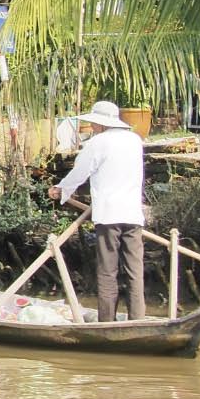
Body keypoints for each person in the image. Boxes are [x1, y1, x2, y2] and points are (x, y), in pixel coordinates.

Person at [47, 100, 147, 321]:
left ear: (102, 124)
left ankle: (106, 322)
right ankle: (138, 320)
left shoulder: (98, 143)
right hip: (132, 215)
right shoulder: (135, 141)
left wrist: (61, 189)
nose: (92, 128)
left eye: (94, 124)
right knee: (134, 271)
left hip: (109, 215)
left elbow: (81, 172)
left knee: (107, 271)